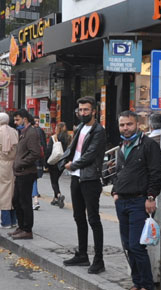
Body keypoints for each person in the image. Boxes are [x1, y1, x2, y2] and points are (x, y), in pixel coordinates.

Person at [112, 111, 161, 290]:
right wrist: (115, 192)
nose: (126, 128)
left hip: (139, 201)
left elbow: (156, 173)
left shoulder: (149, 145)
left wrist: (151, 197)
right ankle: (137, 283)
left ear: (138, 124)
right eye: (122, 125)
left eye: (129, 124)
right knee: (127, 246)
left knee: (136, 246)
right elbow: (118, 172)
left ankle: (148, 288)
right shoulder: (122, 145)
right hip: (123, 201)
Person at [62, 96, 107, 274]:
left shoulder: (98, 130)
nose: (82, 113)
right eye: (80, 110)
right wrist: (63, 162)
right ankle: (82, 254)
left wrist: (73, 164)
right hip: (76, 177)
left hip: (90, 179)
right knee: (78, 217)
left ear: (94, 111)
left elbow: (90, 154)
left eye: (86, 110)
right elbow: (73, 149)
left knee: (93, 220)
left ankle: (99, 260)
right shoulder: (80, 127)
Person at [9, 109, 41, 240]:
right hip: (21, 172)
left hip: (26, 172)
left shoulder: (31, 133)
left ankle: (27, 229)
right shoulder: (24, 132)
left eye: (17, 120)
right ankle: (21, 227)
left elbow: (35, 153)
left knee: (24, 201)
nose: (16, 123)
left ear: (25, 119)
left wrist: (20, 163)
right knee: (16, 200)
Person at [0, 113, 18, 229]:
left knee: (2, 193)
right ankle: (14, 220)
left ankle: (5, 222)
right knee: (12, 192)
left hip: (1, 164)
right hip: (13, 165)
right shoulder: (14, 131)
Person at [48, 122, 70, 208]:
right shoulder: (68, 138)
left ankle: (59, 195)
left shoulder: (54, 138)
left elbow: (49, 150)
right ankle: (56, 199)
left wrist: (46, 162)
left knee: (54, 181)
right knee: (56, 180)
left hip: (54, 162)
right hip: (62, 163)